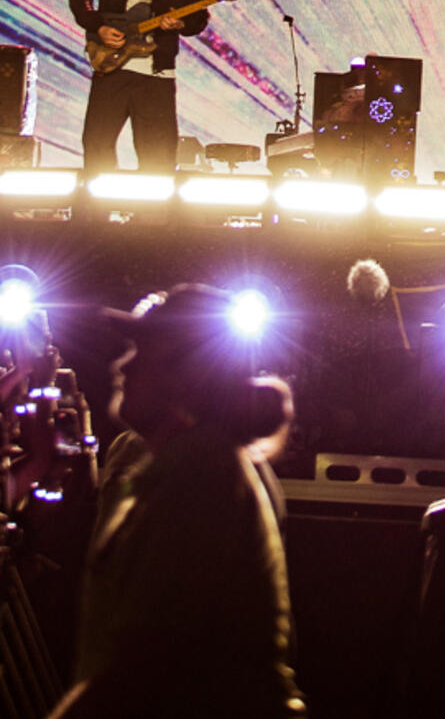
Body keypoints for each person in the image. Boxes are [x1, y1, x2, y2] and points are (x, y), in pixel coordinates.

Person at [47, 283, 307, 718]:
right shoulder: (189, 461)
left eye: (141, 351)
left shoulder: (200, 470)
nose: (121, 365)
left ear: (184, 374)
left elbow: (138, 664)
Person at [68, 0, 209, 176]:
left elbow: (198, 20)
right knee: (96, 145)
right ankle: (98, 215)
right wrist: (98, 27)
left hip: (157, 74)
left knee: (158, 155)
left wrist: (179, 24)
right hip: (112, 67)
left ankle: (153, 218)